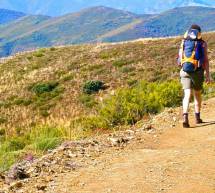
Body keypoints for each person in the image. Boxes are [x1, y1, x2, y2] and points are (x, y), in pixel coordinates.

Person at [178, 24, 210, 128]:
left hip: (184, 71)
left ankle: (185, 117)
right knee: (197, 94)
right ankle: (197, 117)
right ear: (199, 33)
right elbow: (205, 60)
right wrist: (208, 75)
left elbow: (179, 59)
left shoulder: (183, 42)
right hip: (197, 72)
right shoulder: (202, 43)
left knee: (187, 94)